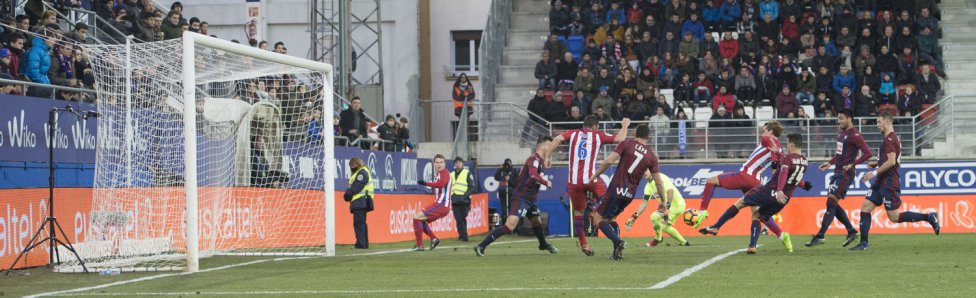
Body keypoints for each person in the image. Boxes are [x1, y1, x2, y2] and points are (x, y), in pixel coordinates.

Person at [700, 133, 809, 254]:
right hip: (784, 199)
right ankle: (756, 245)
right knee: (757, 215)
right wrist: (804, 185)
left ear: (792, 145)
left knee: (740, 203)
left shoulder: (787, 159)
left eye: (788, 143)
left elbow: (784, 173)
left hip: (769, 191)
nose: (787, 146)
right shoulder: (804, 161)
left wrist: (778, 190)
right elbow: (794, 177)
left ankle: (716, 226)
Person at [695, 121, 810, 230]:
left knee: (710, 181)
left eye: (764, 130)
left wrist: (775, 164)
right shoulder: (778, 149)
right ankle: (780, 234)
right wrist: (801, 183)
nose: (762, 133)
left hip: (746, 175)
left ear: (770, 132)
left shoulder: (768, 140)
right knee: (756, 213)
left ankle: (702, 211)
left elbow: (776, 161)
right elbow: (782, 165)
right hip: (756, 181)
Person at [850, 112, 940, 250]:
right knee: (866, 207)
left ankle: (928, 217)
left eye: (879, 122)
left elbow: (892, 161)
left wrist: (873, 173)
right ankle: (864, 243)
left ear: (886, 122)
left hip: (889, 182)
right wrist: (877, 163)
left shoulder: (890, 140)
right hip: (881, 181)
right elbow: (891, 159)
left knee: (894, 217)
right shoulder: (890, 138)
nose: (877, 124)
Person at [546, 116, 631, 256]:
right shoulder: (598, 135)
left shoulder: (573, 133)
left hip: (574, 182)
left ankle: (584, 245)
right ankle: (617, 242)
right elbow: (620, 138)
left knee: (578, 213)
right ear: (595, 127)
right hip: (593, 179)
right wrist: (625, 126)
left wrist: (548, 157)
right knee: (608, 211)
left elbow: (556, 139)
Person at [588, 125, 666, 260]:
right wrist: (663, 202)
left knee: (597, 219)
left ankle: (618, 242)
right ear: (648, 137)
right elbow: (658, 182)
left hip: (616, 188)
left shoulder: (626, 144)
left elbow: (608, 161)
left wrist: (594, 176)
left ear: (635, 133)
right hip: (630, 194)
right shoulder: (652, 156)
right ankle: (617, 253)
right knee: (611, 219)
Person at [474, 137, 560, 256]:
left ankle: (543, 244)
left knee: (536, 220)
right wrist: (546, 182)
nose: (551, 149)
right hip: (522, 197)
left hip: (530, 199)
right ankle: (481, 246)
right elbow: (533, 175)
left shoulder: (539, 160)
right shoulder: (533, 159)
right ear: (543, 146)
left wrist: (548, 159)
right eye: (549, 147)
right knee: (510, 225)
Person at [807, 109, 872, 247]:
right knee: (832, 203)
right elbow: (839, 154)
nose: (838, 121)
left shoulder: (855, 135)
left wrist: (852, 164)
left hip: (846, 174)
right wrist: (829, 163)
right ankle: (851, 231)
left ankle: (820, 235)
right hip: (837, 172)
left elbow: (868, 153)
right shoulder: (841, 134)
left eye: (841, 118)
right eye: (838, 119)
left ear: (849, 118)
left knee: (831, 201)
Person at [625, 173, 689, 247]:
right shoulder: (648, 187)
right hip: (669, 206)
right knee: (664, 227)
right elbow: (644, 204)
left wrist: (667, 207)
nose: (644, 173)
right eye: (642, 172)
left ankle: (658, 238)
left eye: (646, 170)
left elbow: (670, 191)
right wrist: (633, 218)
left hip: (676, 205)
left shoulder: (660, 177)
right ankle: (684, 242)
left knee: (654, 217)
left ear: (650, 169)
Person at [411, 154, 453, 251]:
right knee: (420, 219)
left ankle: (419, 245)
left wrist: (426, 183)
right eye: (437, 162)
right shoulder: (438, 174)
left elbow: (440, 184)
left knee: (416, 218)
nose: (439, 165)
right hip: (441, 204)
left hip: (442, 204)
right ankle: (433, 239)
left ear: (445, 164)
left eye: (441, 162)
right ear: (434, 164)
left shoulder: (445, 173)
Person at [344, 157, 374, 249]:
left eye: (353, 165)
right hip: (360, 201)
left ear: (357, 164)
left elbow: (357, 186)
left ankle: (360, 244)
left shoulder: (362, 172)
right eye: (351, 166)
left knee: (359, 223)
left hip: (360, 201)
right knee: (361, 223)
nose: (352, 167)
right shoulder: (360, 172)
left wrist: (347, 194)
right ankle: (364, 244)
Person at [450, 157, 475, 242]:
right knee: (459, 219)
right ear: (454, 164)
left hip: (464, 201)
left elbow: (472, 187)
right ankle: (463, 236)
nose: (458, 164)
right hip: (455, 200)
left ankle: (463, 236)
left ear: (462, 164)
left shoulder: (467, 173)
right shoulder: (451, 174)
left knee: (462, 218)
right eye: (456, 162)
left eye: (459, 162)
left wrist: (465, 196)